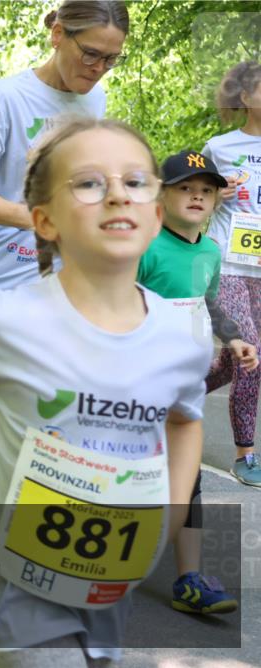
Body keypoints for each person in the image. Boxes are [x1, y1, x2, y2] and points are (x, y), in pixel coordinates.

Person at [0, 117, 210, 667]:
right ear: (44, 221)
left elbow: (186, 419)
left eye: (135, 181)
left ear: (156, 215)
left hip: (111, 576)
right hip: (17, 578)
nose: (115, 194)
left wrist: (170, 516)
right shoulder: (7, 319)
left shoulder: (183, 337)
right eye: (87, 182)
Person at [0, 0, 130, 586]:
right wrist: (36, 218)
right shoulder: (6, 97)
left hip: (59, 281)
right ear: (58, 34)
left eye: (112, 59)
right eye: (91, 54)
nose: (99, 69)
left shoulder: (96, 101)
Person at [136, 149, 254, 615]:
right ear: (161, 197)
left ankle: (189, 579)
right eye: (186, 188)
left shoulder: (208, 250)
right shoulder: (144, 247)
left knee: (190, 481)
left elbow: (209, 303)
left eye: (206, 191)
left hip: (185, 385)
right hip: (137, 385)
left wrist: (236, 338)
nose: (197, 197)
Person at [202, 60, 261, 487]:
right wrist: (214, 194)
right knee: (252, 353)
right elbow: (195, 197)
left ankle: (168, 401)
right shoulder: (219, 147)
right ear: (243, 98)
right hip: (229, 262)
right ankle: (245, 455)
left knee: (233, 358)